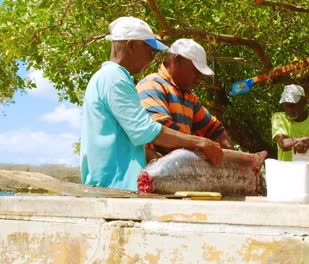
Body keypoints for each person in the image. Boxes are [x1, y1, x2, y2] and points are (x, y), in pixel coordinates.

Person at [80, 17, 223, 192]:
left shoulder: (113, 77)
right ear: (131, 46)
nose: (151, 58)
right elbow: (145, 131)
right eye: (150, 50)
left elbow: (126, 139)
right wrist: (200, 143)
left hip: (116, 185)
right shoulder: (114, 78)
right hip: (115, 186)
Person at [136, 38, 234, 159]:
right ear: (178, 60)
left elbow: (215, 130)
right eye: (196, 70)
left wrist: (233, 160)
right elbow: (163, 136)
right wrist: (201, 145)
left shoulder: (189, 97)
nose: (199, 77)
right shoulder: (152, 85)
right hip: (153, 172)